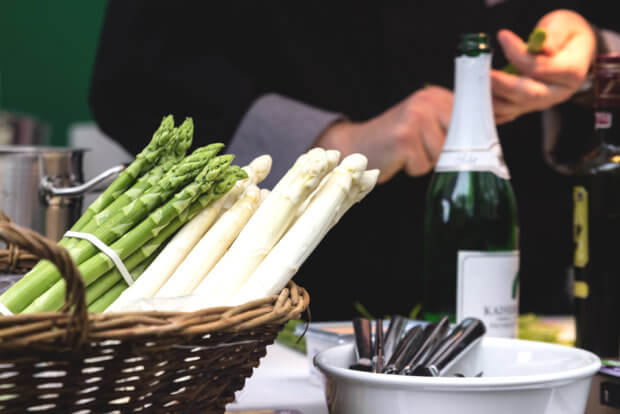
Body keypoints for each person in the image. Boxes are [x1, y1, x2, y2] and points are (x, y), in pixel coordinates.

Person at [89, 1, 619, 321]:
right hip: (285, 302)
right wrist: (331, 142)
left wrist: (592, 51)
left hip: (532, 291)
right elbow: (135, 75)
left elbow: (597, 33)